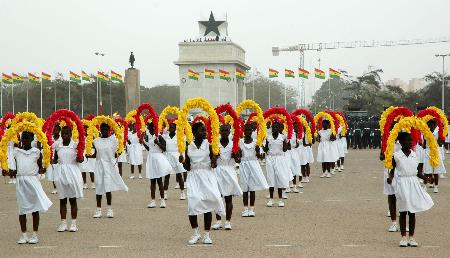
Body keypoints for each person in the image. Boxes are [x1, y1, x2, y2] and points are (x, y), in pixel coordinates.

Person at [387, 132, 434, 247]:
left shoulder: (414, 155)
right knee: (403, 211)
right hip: (402, 184)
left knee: (412, 211)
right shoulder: (396, 155)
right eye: (407, 141)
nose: (410, 143)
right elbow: (392, 170)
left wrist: (426, 179)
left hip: (413, 184)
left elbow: (418, 173)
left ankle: (412, 237)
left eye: (411, 141)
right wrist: (390, 177)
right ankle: (403, 237)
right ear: (401, 142)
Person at [183, 122, 225, 245]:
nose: (205, 132)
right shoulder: (188, 146)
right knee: (192, 203)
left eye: (205, 130)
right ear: (195, 133)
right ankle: (196, 233)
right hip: (193, 177)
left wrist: (214, 160)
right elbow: (187, 167)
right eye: (202, 130)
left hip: (207, 176)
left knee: (208, 204)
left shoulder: (209, 146)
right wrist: (182, 162)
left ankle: (207, 235)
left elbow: (214, 164)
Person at [8, 131, 52, 244]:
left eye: (27, 138)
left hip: (33, 181)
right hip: (21, 181)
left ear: (32, 139)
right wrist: (11, 172)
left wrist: (42, 169)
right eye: (23, 138)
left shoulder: (36, 152)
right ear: (21, 139)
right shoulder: (17, 152)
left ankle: (34, 234)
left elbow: (40, 167)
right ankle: (23, 235)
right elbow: (15, 167)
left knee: (35, 209)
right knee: (22, 209)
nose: (25, 140)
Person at [90, 123, 128, 219]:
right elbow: (96, 154)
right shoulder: (96, 141)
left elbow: (117, 152)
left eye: (105, 129)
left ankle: (109, 209)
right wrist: (87, 156)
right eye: (102, 129)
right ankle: (98, 209)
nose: (103, 131)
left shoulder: (114, 140)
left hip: (109, 166)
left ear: (109, 129)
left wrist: (116, 155)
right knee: (99, 186)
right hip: (99, 166)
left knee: (108, 187)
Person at [211, 124, 242, 230]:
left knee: (228, 198)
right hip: (217, 171)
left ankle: (228, 221)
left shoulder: (234, 145)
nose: (224, 132)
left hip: (229, 171)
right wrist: (215, 157)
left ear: (230, 132)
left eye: (226, 130)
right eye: (222, 130)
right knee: (217, 197)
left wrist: (236, 156)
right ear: (219, 131)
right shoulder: (215, 144)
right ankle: (218, 221)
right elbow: (213, 163)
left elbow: (238, 160)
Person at [53, 126, 84, 232]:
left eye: (66, 134)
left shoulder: (75, 146)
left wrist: (80, 158)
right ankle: (63, 223)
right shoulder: (58, 146)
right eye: (63, 134)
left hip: (72, 174)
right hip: (61, 174)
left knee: (72, 199)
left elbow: (81, 159)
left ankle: (74, 223)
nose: (64, 136)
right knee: (62, 199)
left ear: (71, 134)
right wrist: (53, 160)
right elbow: (56, 159)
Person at [239, 123, 268, 217]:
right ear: (243, 131)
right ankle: (245, 209)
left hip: (253, 165)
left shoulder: (256, 142)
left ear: (252, 131)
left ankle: (251, 208)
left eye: (249, 130)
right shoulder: (240, 142)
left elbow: (260, 157)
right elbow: (238, 156)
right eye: (246, 130)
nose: (247, 132)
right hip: (243, 165)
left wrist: (257, 151)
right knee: (244, 187)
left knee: (252, 188)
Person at [143, 122, 172, 208]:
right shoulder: (149, 137)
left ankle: (162, 200)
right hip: (151, 158)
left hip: (158, 159)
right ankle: (152, 201)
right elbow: (149, 148)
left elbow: (165, 148)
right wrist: (144, 143)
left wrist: (158, 143)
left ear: (155, 128)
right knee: (152, 181)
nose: (150, 130)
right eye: (149, 128)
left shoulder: (159, 136)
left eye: (152, 128)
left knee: (159, 180)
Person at [263, 120, 291, 207]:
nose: (275, 128)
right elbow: (266, 150)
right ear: (271, 128)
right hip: (270, 158)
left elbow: (285, 149)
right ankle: (271, 199)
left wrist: (287, 141)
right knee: (271, 178)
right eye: (273, 127)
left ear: (279, 128)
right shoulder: (268, 137)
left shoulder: (282, 137)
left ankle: (280, 200)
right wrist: (261, 146)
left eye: (276, 127)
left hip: (280, 158)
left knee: (279, 178)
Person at [162, 122, 186, 200]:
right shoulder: (166, 136)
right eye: (170, 127)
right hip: (168, 156)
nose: (171, 128)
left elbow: (182, 147)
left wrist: (182, 156)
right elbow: (163, 146)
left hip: (177, 156)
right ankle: (165, 193)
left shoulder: (179, 136)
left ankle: (182, 193)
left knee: (179, 175)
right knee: (167, 176)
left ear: (175, 128)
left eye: (173, 127)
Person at [423, 120, 446, 193]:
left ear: (434, 126)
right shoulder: (425, 133)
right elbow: (424, 143)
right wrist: (423, 146)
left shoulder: (437, 133)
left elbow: (441, 142)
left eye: (431, 126)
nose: (430, 127)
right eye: (428, 126)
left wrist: (439, 143)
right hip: (428, 152)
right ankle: (424, 185)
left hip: (436, 152)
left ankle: (436, 186)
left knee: (436, 170)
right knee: (427, 170)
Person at [47, 125, 62, 194]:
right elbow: (47, 147)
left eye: (56, 130)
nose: (55, 131)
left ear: (59, 131)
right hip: (51, 157)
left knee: (60, 173)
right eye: (54, 129)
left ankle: (61, 187)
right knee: (54, 173)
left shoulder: (61, 139)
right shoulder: (50, 138)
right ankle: (55, 188)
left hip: (60, 157)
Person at [80, 125, 95, 189]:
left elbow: (94, 145)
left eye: (86, 129)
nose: (85, 130)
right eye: (84, 129)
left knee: (91, 169)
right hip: (83, 152)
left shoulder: (92, 136)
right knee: (83, 169)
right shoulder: (81, 137)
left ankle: (93, 183)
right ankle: (84, 183)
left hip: (90, 152)